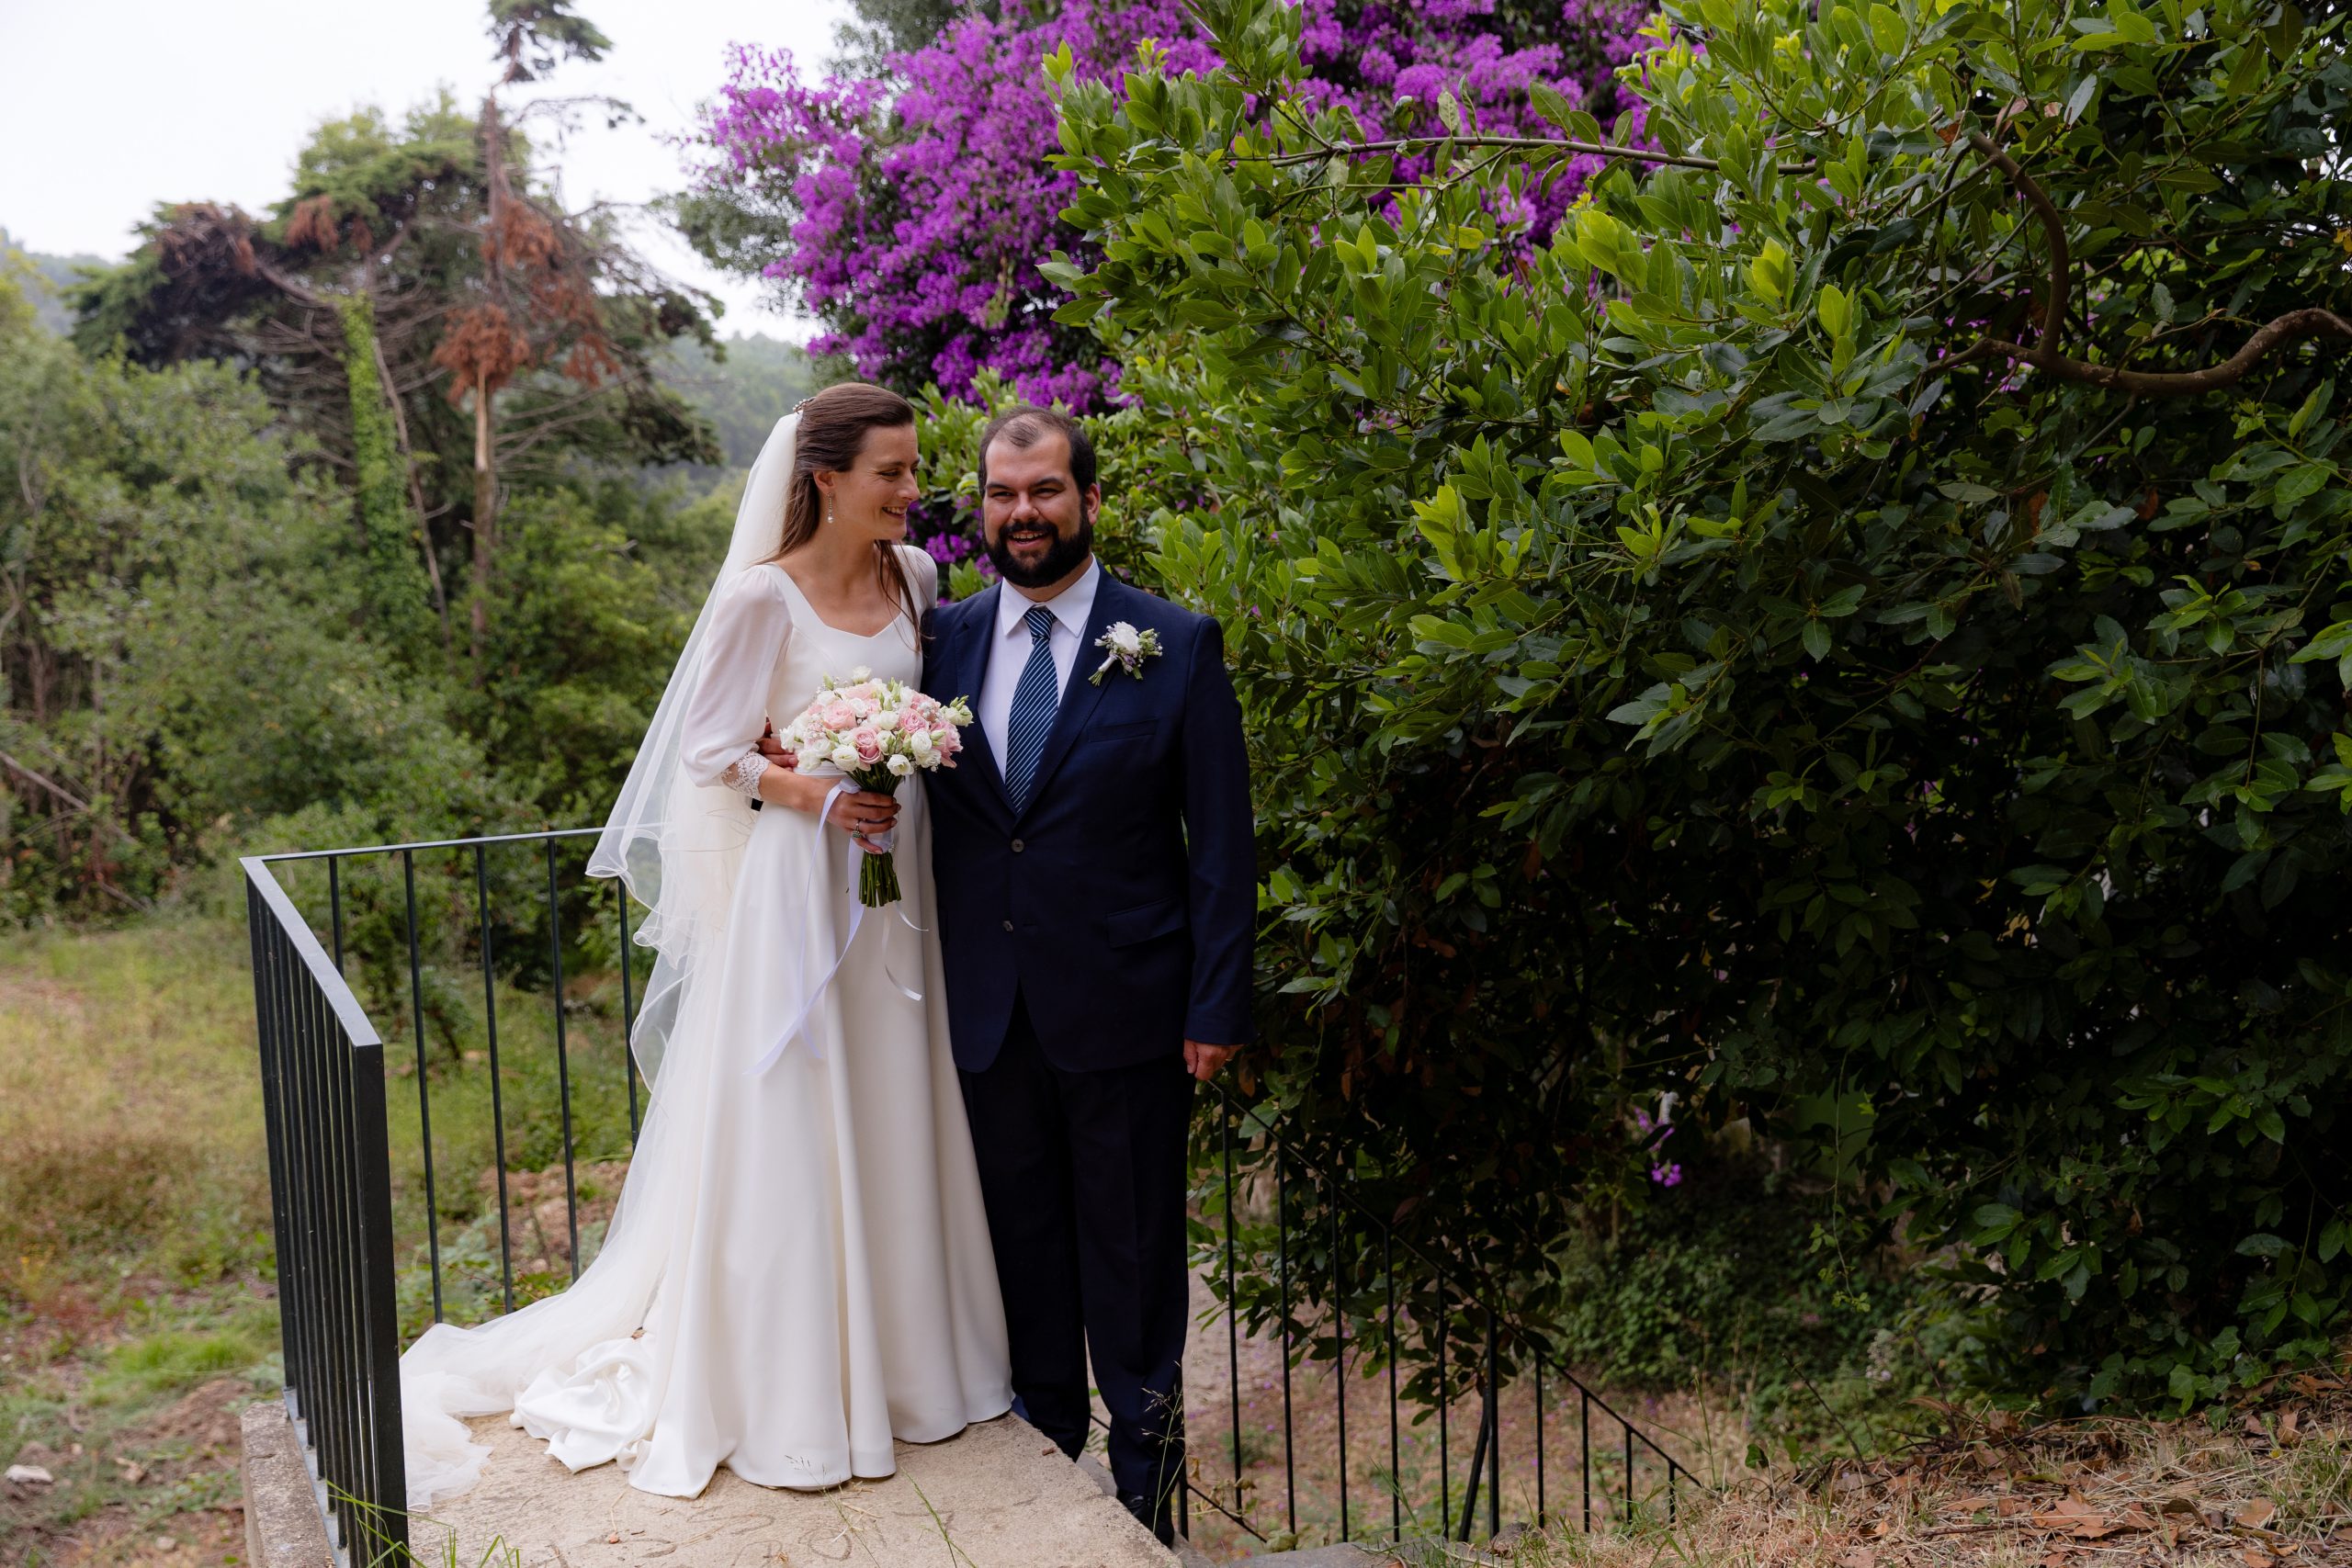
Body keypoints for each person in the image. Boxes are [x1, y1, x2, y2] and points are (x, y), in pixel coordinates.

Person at [395, 384, 1011, 1506]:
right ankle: (796, 1388)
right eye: (892, 471)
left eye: (915, 469)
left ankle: (913, 1371)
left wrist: (889, 772)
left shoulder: (918, 579)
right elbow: (711, 751)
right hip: (801, 881)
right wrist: (818, 794)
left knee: (896, 1096)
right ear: (826, 478)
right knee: (802, 1103)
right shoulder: (759, 596)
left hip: (898, 880)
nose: (914, 490)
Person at [918, 405, 1256, 1542]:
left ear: (1090, 500)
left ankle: (1148, 1512)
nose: (1023, 514)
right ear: (982, 508)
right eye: (1002, 495)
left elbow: (1221, 846)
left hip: (1130, 1016)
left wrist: (1216, 1004)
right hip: (984, 1015)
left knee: (1135, 1258)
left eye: (1045, 491)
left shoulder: (1174, 642)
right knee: (1020, 1260)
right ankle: (1048, 1501)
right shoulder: (940, 641)